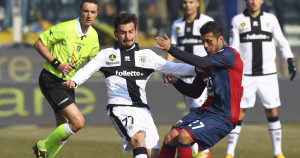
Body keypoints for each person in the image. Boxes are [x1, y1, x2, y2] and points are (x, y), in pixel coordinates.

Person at [62, 13, 197, 158]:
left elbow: (176, 68)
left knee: (154, 154)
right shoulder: (106, 55)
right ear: (116, 34)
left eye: (131, 32)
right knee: (138, 139)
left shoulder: (147, 56)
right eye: (123, 32)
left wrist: (201, 69)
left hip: (143, 110)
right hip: (119, 107)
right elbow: (87, 70)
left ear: (136, 32)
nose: (128, 36)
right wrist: (74, 81)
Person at [155, 21, 244, 158]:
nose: (205, 46)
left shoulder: (229, 54)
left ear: (220, 39)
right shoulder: (208, 62)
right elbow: (194, 92)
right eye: (203, 41)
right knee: (170, 137)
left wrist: (171, 49)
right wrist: (176, 81)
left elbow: (200, 62)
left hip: (225, 115)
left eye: (209, 41)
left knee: (184, 136)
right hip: (207, 111)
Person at [224, 1, 297, 158]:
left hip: (268, 75)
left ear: (262, 1)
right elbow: (234, 46)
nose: (253, 2)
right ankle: (229, 153)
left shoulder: (271, 19)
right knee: (240, 112)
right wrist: (230, 65)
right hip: (246, 75)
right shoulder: (237, 20)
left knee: (272, 110)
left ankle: (278, 152)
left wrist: (290, 60)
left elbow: (282, 40)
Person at [32, 0, 99, 157]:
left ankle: (45, 156)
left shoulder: (94, 36)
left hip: (68, 84)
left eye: (93, 12)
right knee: (78, 122)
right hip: (51, 79)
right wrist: (57, 64)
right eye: (86, 11)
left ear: (97, 14)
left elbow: (93, 61)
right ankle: (42, 145)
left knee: (64, 131)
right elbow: (39, 44)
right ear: (79, 11)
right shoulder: (65, 28)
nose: (89, 15)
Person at [164, 0, 214, 157]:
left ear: (198, 3)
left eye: (191, 2)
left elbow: (213, 46)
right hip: (185, 74)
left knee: (197, 110)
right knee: (193, 110)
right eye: (185, 2)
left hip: (202, 73)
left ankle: (203, 150)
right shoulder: (177, 24)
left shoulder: (206, 21)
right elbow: (172, 48)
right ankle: (198, 148)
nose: (188, 5)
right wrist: (167, 68)